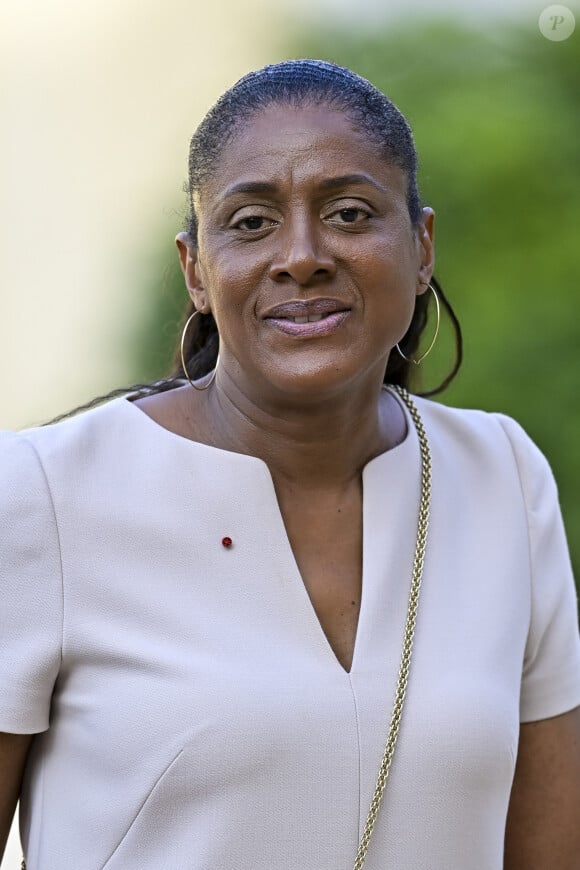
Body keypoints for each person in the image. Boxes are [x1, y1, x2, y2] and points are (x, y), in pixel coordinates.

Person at [1, 59, 579, 870]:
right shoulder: (43, 494)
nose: (301, 255)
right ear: (196, 269)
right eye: (249, 223)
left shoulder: (504, 479)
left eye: (348, 213)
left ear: (421, 248)